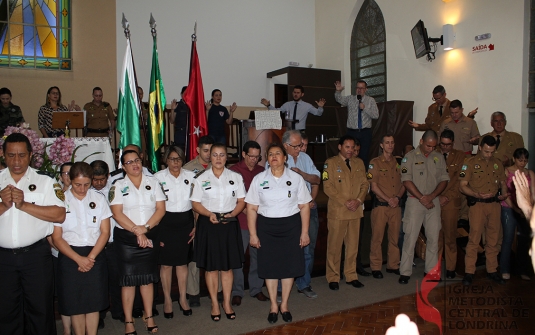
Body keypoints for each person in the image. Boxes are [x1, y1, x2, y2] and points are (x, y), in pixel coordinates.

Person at [0, 133, 66, 334]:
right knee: (6, 311)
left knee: (41, 310)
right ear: (3, 155)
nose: (17, 161)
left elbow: (59, 214)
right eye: (11, 155)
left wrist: (23, 205)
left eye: (21, 155)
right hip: (3, 258)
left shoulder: (45, 181)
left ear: (30, 155)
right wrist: (4, 205)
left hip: (35, 256)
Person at [246, 143, 311, 324]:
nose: (274, 156)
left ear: (285, 158)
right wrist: (253, 234)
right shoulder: (259, 179)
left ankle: (285, 305)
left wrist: (304, 232)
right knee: (270, 267)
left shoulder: (296, 179)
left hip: (291, 226)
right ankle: (274, 305)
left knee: (289, 266)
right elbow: (251, 208)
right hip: (267, 227)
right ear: (267, 159)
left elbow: (304, 206)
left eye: (277, 153)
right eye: (270, 154)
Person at [109, 150, 166, 334]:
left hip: (150, 235)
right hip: (126, 240)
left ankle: (148, 316)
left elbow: (160, 209)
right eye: (129, 162)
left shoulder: (154, 182)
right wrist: (136, 231)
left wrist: (145, 229)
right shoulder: (117, 186)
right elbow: (117, 213)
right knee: (128, 280)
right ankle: (128, 320)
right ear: (123, 166)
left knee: (148, 278)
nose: (134, 164)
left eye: (137, 160)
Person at [51, 162, 111, 335]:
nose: (83, 189)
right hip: (70, 257)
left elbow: (105, 232)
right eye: (78, 184)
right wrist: (79, 259)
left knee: (93, 303)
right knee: (75, 303)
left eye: (87, 184)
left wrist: (90, 258)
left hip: (95, 255)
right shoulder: (60, 199)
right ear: (69, 180)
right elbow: (57, 237)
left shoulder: (98, 198)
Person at [190, 143, 246, 321]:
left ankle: (226, 303)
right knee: (211, 267)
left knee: (227, 267)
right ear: (209, 157)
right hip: (209, 223)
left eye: (222, 155)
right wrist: (209, 214)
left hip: (229, 223)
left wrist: (232, 214)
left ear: (226, 157)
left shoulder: (235, 177)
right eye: (215, 155)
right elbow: (195, 203)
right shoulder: (201, 178)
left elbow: (242, 201)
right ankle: (214, 303)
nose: (219, 158)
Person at [398, 130, 449, 285]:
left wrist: (431, 196)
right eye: (428, 146)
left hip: (433, 203)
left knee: (433, 238)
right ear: (421, 141)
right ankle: (405, 272)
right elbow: (406, 181)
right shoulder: (410, 158)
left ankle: (431, 271)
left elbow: (444, 180)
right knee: (410, 237)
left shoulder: (438, 157)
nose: (431, 149)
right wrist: (422, 197)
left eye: (434, 146)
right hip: (415, 202)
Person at [460, 135, 508, 286]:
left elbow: (502, 182)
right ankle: (469, 272)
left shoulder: (497, 163)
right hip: (478, 205)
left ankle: (492, 270)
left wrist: (503, 193)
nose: (489, 154)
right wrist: (475, 194)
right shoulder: (469, 163)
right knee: (474, 239)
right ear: (480, 147)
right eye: (486, 151)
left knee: (493, 239)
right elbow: (462, 185)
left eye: (492, 152)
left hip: (494, 205)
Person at [322, 135, 369, 290]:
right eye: (347, 147)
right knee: (335, 246)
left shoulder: (359, 163)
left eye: (352, 147)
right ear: (340, 147)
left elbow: (364, 184)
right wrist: (346, 201)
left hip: (355, 211)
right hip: (338, 211)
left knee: (353, 246)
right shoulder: (330, 163)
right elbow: (328, 187)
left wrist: (358, 200)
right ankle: (333, 277)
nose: (350, 150)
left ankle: (351, 275)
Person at [154, 146, 196, 318]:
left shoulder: (191, 177)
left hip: (185, 223)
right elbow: (153, 207)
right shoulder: (157, 178)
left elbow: (196, 203)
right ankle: (168, 300)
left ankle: (182, 298)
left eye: (178, 159)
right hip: (165, 223)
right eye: (172, 159)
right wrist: (157, 231)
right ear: (166, 160)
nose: (176, 162)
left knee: (182, 264)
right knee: (166, 265)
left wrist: (196, 225)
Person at [281, 130, 320, 298]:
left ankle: (304, 283)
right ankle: (281, 288)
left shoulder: (305, 158)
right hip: (287, 212)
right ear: (286, 146)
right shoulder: (277, 159)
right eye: (296, 146)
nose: (300, 149)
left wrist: (302, 174)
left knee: (307, 248)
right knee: (286, 250)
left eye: (301, 145)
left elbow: (316, 179)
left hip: (306, 209)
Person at [229, 141, 269, 306]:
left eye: (257, 157)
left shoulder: (262, 172)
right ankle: (237, 291)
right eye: (251, 156)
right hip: (241, 222)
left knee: (258, 258)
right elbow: (231, 198)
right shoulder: (234, 172)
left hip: (261, 223)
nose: (254, 159)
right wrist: (249, 211)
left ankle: (256, 288)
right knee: (238, 259)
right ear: (244, 154)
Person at [90, 160, 124, 326]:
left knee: (117, 279)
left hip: (113, 244)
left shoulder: (114, 190)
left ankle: (118, 310)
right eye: (95, 179)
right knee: (98, 282)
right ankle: (99, 315)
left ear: (107, 176)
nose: (98, 183)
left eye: (101, 179)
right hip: (94, 246)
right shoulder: (86, 193)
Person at [367, 134, 405, 279]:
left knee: (395, 237)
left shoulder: (399, 163)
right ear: (382, 145)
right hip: (381, 206)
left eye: (392, 143)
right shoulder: (374, 163)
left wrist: (397, 198)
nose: (390, 145)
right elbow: (373, 186)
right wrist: (388, 199)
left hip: (396, 205)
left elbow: (404, 183)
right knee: (377, 238)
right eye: (387, 143)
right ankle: (376, 267)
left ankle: (393, 265)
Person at [183, 135, 214, 307]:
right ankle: (193, 292)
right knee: (194, 257)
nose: (209, 154)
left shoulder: (218, 166)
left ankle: (215, 291)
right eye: (205, 150)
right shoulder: (188, 168)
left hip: (212, 216)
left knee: (213, 255)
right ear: (198, 150)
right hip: (194, 216)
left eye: (211, 150)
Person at [500, 148, 534, 280]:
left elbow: (532, 192)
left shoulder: (529, 173)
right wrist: (515, 208)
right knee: (508, 239)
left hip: (524, 210)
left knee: (524, 240)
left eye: (525, 160)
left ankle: (522, 270)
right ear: (514, 159)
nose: (523, 163)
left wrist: (527, 208)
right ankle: (504, 269)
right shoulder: (507, 171)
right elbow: (504, 193)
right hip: (509, 208)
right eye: (520, 160)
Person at [436, 129, 465, 279]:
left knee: (450, 237)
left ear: (452, 143)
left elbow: (460, 182)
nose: (445, 147)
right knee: (435, 237)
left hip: (451, 203)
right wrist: (436, 196)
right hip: (434, 202)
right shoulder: (434, 154)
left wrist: (446, 196)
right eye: (442, 144)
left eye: (448, 145)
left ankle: (451, 268)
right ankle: (435, 268)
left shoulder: (460, 156)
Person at [334, 80, 378, 167]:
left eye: (362, 88)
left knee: (364, 157)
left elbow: (376, 115)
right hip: (352, 132)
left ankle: (362, 177)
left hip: (365, 132)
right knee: (349, 155)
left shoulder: (370, 100)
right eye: (358, 88)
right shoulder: (350, 99)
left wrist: (365, 108)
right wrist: (338, 91)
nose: (359, 90)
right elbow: (339, 100)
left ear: (366, 89)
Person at [408, 85, 477, 133]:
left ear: (444, 95)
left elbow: (460, 122)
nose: (436, 100)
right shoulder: (431, 108)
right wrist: (418, 126)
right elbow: (429, 125)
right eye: (434, 98)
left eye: (438, 98)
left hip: (448, 142)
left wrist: (470, 116)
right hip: (435, 142)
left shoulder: (452, 106)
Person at [261, 85, 326, 131]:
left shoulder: (307, 106)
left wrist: (320, 107)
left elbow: (318, 113)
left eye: (298, 93)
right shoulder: (287, 104)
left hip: (300, 131)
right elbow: (277, 112)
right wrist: (269, 105)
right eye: (294, 92)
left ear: (302, 94)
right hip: (289, 131)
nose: (296, 94)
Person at [170, 86, 190, 151]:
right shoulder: (177, 105)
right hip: (180, 133)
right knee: (179, 152)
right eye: (185, 93)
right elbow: (172, 121)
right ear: (181, 95)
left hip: (190, 133)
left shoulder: (192, 106)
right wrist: (172, 109)